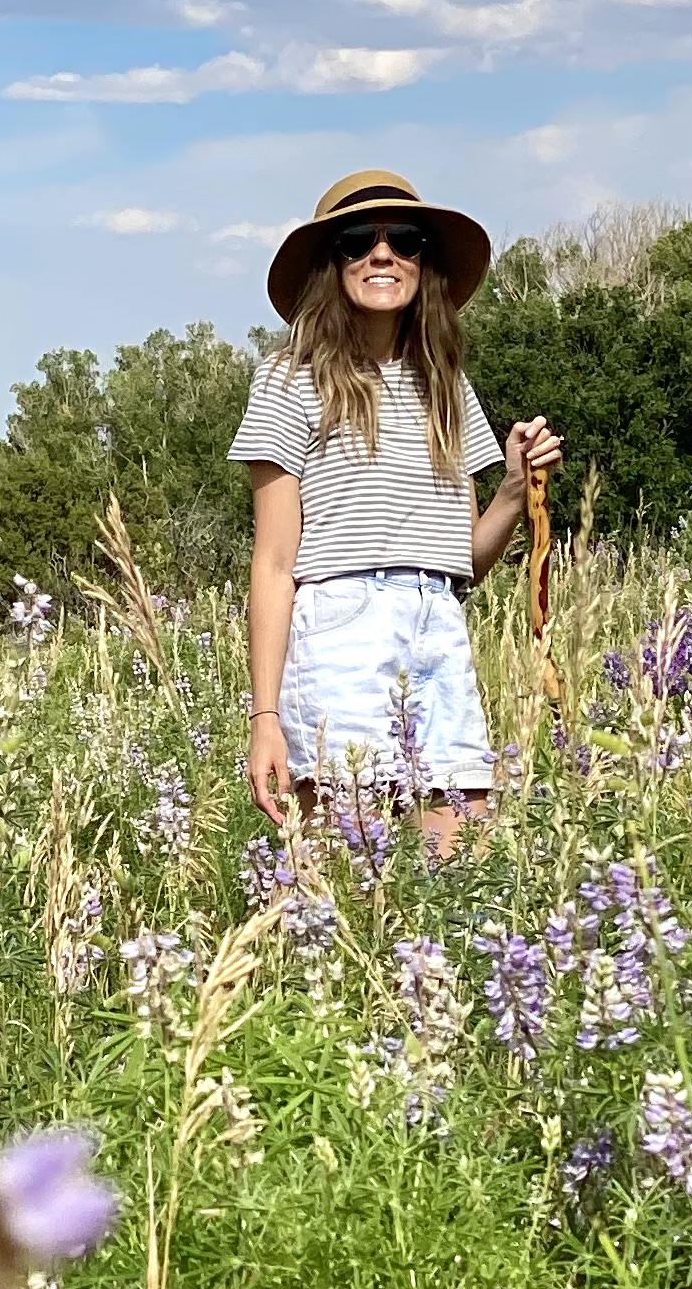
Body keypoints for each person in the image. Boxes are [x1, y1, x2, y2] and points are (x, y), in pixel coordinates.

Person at [233, 168, 564, 858]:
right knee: (352, 876)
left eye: (404, 241)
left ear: (424, 265)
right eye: (359, 240)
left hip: (437, 623)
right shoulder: (290, 377)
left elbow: (466, 560)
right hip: (338, 626)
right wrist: (265, 715)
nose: (382, 255)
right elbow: (273, 562)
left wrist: (513, 486)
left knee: (463, 862)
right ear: (333, 266)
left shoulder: (445, 383)